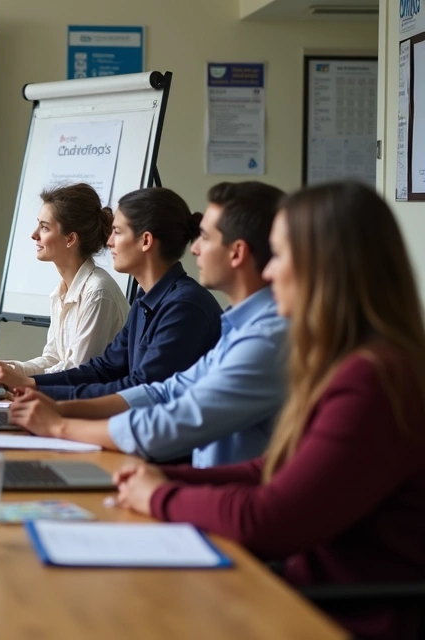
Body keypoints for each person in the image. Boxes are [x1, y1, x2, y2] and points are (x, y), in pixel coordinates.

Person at [114, 182, 425, 640]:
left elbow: (268, 519)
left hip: (338, 616)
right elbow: (276, 469)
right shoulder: (352, 361)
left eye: (278, 255)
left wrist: (159, 497)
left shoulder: (374, 378)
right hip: (298, 594)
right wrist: (169, 481)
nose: (271, 271)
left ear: (325, 266)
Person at [8, 182, 286, 468]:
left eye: (206, 237)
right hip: (186, 474)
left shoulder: (198, 311)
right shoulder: (159, 303)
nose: (196, 249)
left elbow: (166, 414)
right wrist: (44, 395)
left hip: (188, 473)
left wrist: (58, 422)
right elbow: (153, 388)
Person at [0, 187, 222, 398]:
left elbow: (141, 392)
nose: (109, 241)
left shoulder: (184, 307)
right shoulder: (145, 301)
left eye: (118, 232)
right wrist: (28, 383)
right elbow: (104, 369)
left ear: (145, 241)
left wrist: (35, 392)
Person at [0, 183, 129, 379]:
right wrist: (6, 369)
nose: (34, 235)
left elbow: (78, 371)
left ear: (70, 239)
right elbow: (53, 359)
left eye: (44, 227)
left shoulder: (98, 293)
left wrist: (19, 380)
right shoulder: (60, 292)